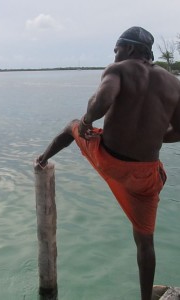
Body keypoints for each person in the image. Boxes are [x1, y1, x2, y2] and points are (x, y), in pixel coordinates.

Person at [36, 26, 180, 300]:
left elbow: (101, 102)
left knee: (72, 126)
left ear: (130, 49)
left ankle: (42, 159)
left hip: (109, 159)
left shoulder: (120, 69)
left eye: (117, 49)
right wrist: (153, 137)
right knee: (145, 241)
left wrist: (88, 121)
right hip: (145, 176)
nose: (114, 55)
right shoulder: (174, 83)